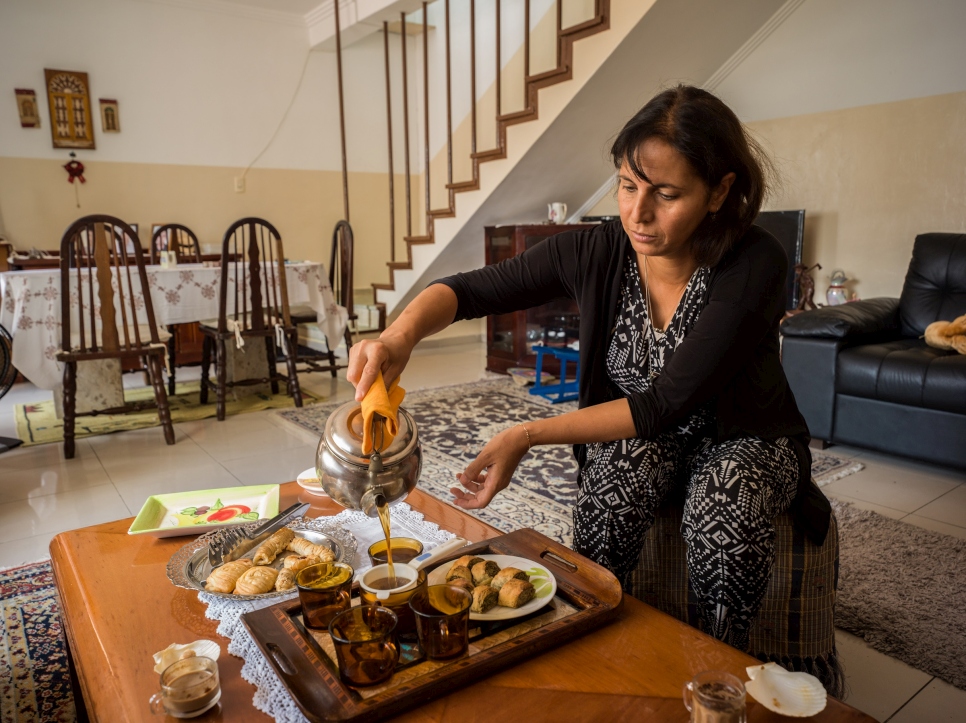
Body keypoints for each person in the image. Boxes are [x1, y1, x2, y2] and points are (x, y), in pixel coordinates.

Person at [348, 85, 831, 652]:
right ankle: (595, 633)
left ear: (720, 191)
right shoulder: (600, 250)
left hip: (745, 436)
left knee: (724, 495)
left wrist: (525, 435)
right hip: (649, 434)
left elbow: (662, 403)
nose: (638, 212)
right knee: (615, 478)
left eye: (667, 194)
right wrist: (397, 336)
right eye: (628, 186)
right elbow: (468, 289)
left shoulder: (755, 262)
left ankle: (719, 666)